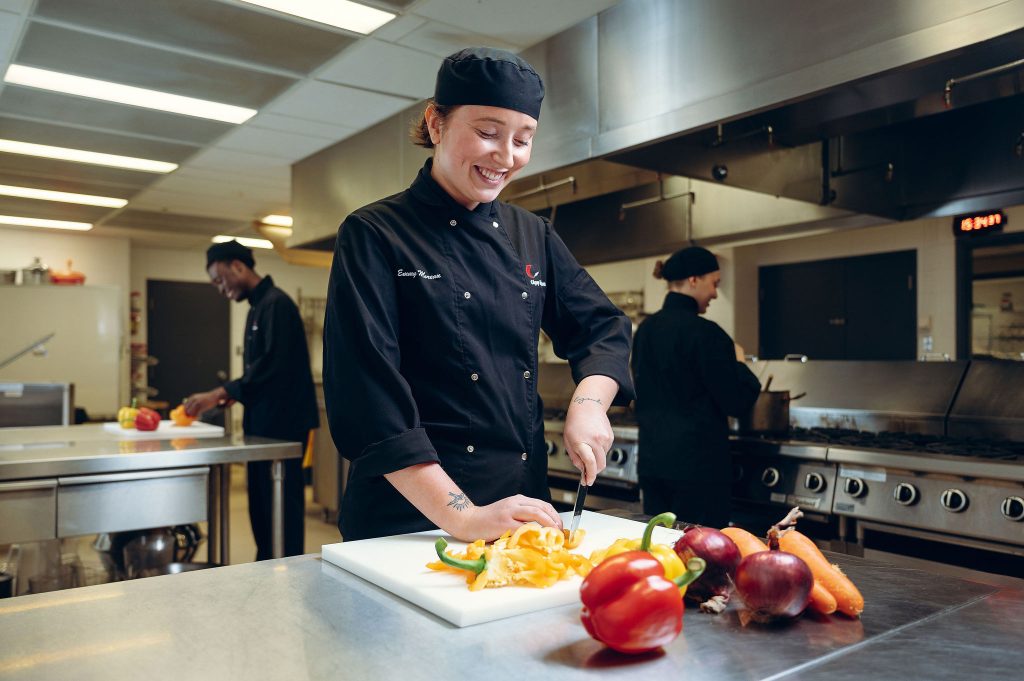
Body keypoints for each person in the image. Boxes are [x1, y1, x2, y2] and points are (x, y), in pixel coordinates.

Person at [323, 47, 634, 542]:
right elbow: (367, 395)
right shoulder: (375, 233)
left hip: (519, 511)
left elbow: (602, 327)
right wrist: (463, 516)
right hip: (409, 520)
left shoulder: (533, 235)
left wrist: (590, 403)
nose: (506, 156)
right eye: (488, 133)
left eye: (523, 139)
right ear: (436, 122)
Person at [184, 240, 318, 559]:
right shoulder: (258, 308)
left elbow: (273, 365)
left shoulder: (277, 305)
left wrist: (221, 392)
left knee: (280, 506)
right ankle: (268, 562)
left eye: (219, 280)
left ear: (238, 267)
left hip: (283, 426)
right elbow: (260, 371)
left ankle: (285, 566)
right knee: (261, 505)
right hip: (265, 425)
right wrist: (236, 394)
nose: (220, 289)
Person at [631, 246, 761, 527]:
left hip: (653, 464)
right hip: (698, 472)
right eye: (714, 283)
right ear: (694, 280)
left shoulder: (646, 330)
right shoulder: (707, 335)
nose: (715, 293)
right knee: (698, 554)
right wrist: (738, 362)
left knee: (658, 550)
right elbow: (737, 401)